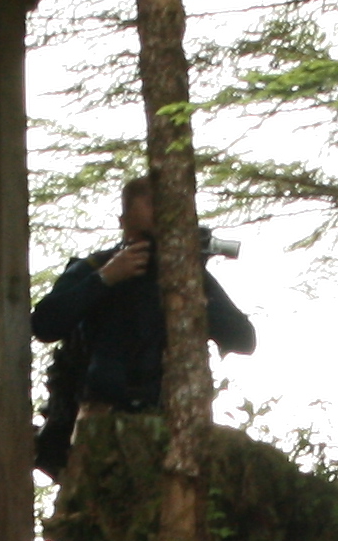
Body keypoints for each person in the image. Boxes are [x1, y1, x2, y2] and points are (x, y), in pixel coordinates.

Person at [30, 175, 256, 473]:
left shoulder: (189, 279)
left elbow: (243, 339)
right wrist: (107, 279)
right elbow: (45, 324)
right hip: (99, 422)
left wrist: (188, 291)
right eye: (150, 208)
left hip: (171, 426)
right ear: (123, 223)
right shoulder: (98, 267)